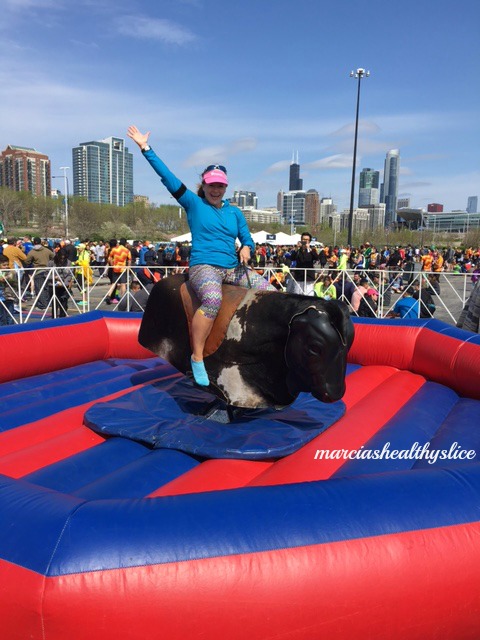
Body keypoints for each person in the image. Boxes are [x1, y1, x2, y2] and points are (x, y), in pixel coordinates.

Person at [127, 124, 275, 387]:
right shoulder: (193, 203)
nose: (216, 189)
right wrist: (145, 148)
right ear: (204, 185)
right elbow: (168, 177)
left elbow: (247, 238)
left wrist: (246, 248)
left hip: (233, 267)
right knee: (211, 299)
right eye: (211, 185)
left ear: (225, 187)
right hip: (204, 266)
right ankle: (197, 357)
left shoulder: (235, 212)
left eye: (220, 185)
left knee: (271, 294)